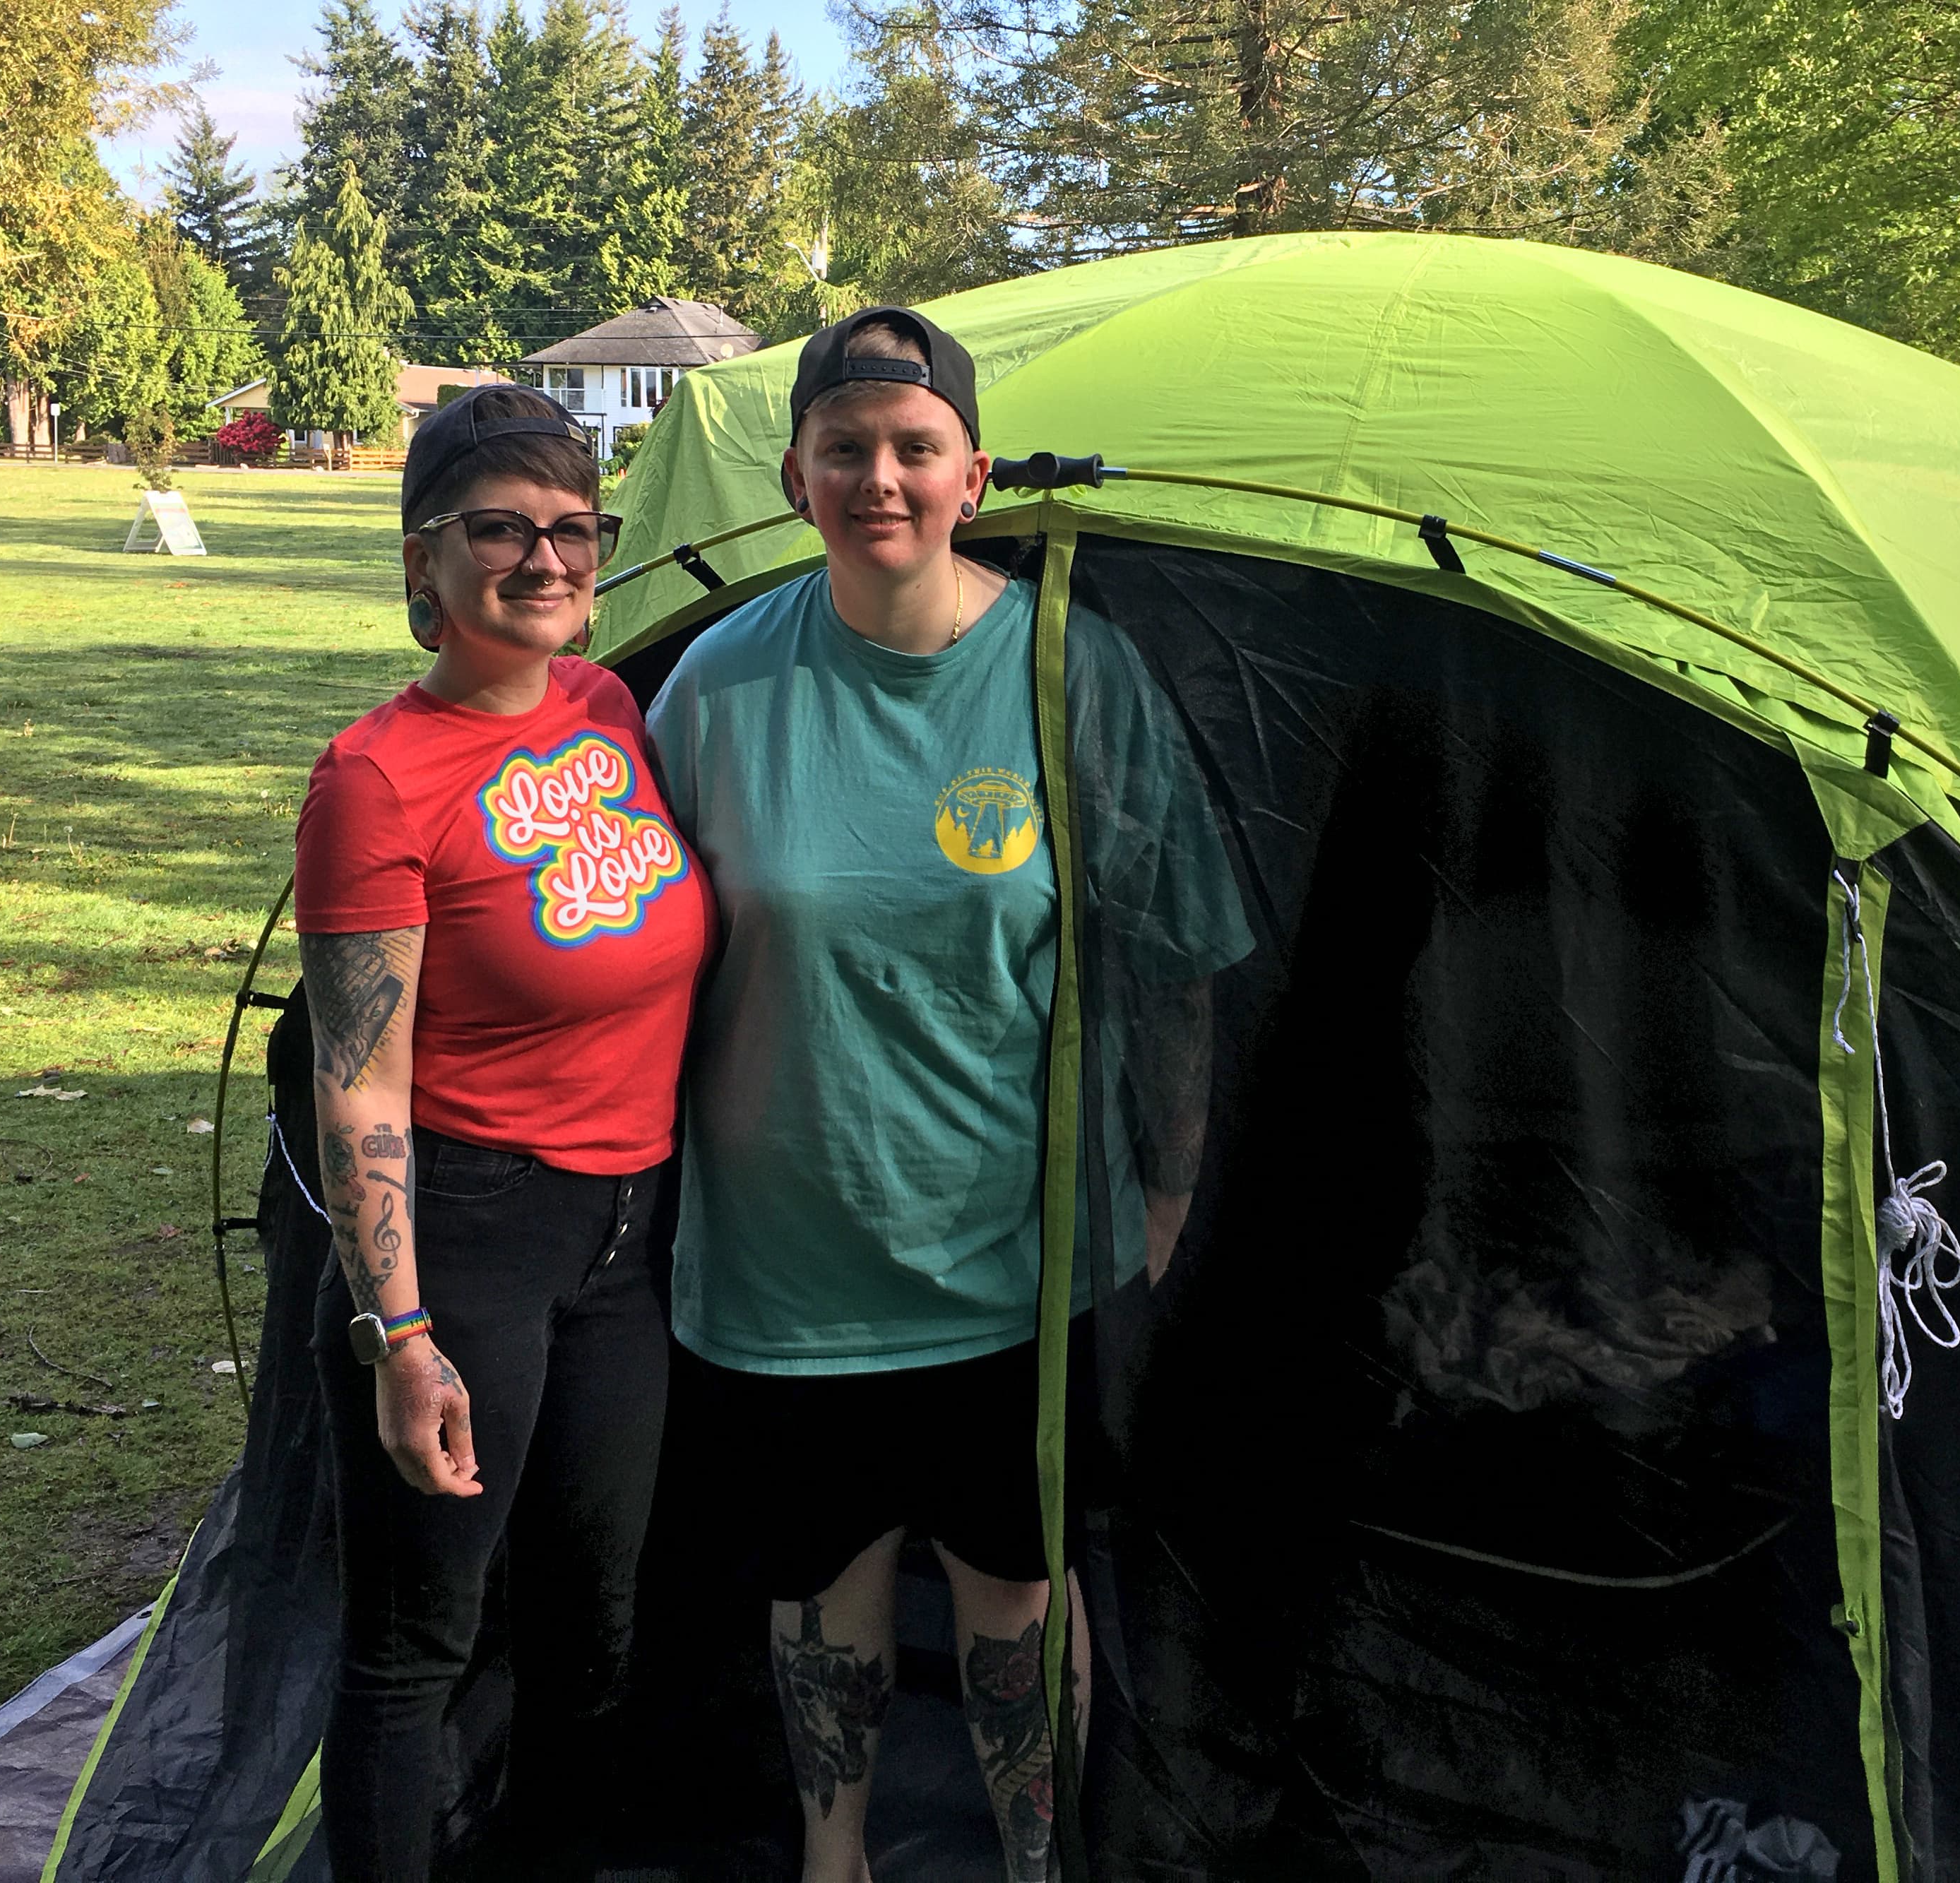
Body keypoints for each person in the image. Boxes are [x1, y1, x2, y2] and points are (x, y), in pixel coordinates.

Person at [647, 309, 1252, 1882]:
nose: (881, 478)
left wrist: (1170, 1178)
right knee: (820, 1587)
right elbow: (620, 946)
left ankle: (1036, 1861)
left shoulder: (1068, 670)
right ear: (794, 477)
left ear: (973, 474)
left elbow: (1175, 953)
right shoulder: (715, 687)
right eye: (845, 449)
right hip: (788, 1258)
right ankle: (830, 1855)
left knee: (1021, 1594)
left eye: (915, 447)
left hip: (1020, 1257)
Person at [292, 385, 713, 1882]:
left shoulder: (608, 709)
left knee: (594, 1617)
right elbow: (360, 1076)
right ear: (423, 564)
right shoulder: (374, 779)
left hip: (628, 1235)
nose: (546, 558)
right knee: (420, 1636)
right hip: (469, 1235)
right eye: (501, 527)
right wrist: (399, 1332)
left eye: (574, 528)